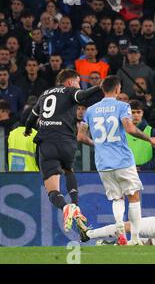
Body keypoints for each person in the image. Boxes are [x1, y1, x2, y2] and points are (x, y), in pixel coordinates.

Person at [77, 75, 155, 246]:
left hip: (103, 163)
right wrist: (148, 139)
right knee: (133, 196)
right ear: (118, 88)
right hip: (122, 160)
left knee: (117, 198)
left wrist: (97, 144)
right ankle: (134, 239)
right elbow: (129, 128)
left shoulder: (90, 110)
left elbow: (81, 136)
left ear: (102, 89)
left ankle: (119, 224)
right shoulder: (122, 106)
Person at [24, 69, 102, 234]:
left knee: (53, 190)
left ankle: (66, 207)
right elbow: (82, 96)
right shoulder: (69, 91)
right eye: (77, 82)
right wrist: (98, 86)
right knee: (68, 170)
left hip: (47, 143)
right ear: (69, 81)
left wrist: (28, 129)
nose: (78, 85)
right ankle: (75, 207)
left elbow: (30, 118)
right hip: (67, 142)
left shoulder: (44, 94)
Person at [127, 100, 155, 171]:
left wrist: (142, 168)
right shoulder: (122, 132)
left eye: (138, 112)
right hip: (126, 173)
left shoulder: (152, 132)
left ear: (142, 113)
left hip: (148, 175)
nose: (136, 115)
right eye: (133, 112)